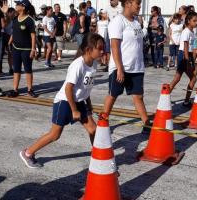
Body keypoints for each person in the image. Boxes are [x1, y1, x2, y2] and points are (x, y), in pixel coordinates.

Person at [19, 33, 104, 168]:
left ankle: (99, 156)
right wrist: (74, 110)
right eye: (99, 48)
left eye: (102, 48)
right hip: (64, 102)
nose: (102, 51)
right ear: (89, 49)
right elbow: (68, 89)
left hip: (79, 101)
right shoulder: (78, 65)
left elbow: (85, 88)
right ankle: (28, 153)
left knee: (94, 130)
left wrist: (89, 105)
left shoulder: (93, 64)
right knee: (55, 135)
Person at [103, 0, 151, 134]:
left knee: (138, 97)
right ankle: (103, 122)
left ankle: (146, 123)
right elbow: (114, 46)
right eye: (137, 4)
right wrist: (119, 68)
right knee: (113, 95)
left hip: (136, 67)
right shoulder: (118, 21)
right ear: (128, 3)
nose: (139, 7)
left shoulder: (136, 22)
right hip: (121, 67)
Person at [169, 11, 197, 107]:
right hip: (183, 55)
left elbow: (194, 47)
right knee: (192, 78)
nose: (196, 23)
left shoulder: (193, 32)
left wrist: (194, 59)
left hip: (189, 55)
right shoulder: (186, 31)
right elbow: (185, 46)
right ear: (188, 21)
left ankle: (165, 96)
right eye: (194, 21)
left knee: (177, 78)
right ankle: (186, 101)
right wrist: (187, 61)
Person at [7, 0, 37, 98]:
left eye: (18, 4)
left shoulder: (29, 20)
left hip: (27, 49)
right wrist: (9, 42)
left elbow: (33, 36)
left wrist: (33, 49)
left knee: (28, 69)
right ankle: (15, 90)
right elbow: (13, 32)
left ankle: (30, 89)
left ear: (23, 7)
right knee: (16, 70)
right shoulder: (15, 18)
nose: (16, 5)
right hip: (16, 48)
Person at [0, 7, 15, 75]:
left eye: (14, 13)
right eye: (13, 13)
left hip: (10, 37)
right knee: (1, 54)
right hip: (4, 36)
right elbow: (3, 26)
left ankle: (11, 68)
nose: (14, 14)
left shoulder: (14, 19)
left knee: (10, 53)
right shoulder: (5, 18)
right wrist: (6, 16)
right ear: (9, 13)